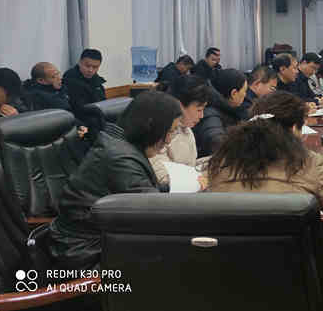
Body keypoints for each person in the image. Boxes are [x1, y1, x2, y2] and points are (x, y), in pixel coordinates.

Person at [206, 91, 323, 290]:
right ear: (293, 129)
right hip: (305, 292)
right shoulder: (307, 163)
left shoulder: (220, 163)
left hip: (231, 288)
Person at [48, 91, 182, 269]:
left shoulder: (118, 143)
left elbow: (143, 193)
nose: (169, 140)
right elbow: (156, 215)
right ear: (150, 126)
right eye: (170, 131)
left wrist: (175, 188)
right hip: (87, 255)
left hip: (96, 242)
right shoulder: (121, 159)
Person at [150, 75, 211, 188]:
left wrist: (215, 161)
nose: (202, 115)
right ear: (179, 105)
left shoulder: (186, 128)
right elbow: (164, 177)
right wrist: (203, 176)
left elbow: (190, 166)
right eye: (199, 110)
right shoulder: (158, 132)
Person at [192, 68, 247, 157]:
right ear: (234, 93)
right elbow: (216, 142)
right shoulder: (210, 114)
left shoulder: (228, 109)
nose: (245, 95)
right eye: (244, 91)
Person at [63, 48, 106, 118]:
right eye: (87, 66)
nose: (90, 70)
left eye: (95, 67)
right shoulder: (70, 78)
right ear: (79, 63)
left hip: (97, 113)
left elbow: (103, 101)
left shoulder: (95, 78)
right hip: (80, 117)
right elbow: (78, 108)